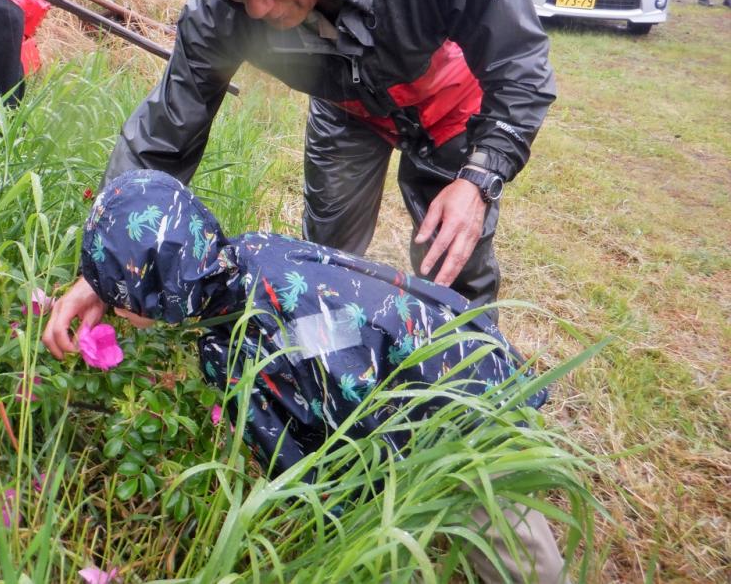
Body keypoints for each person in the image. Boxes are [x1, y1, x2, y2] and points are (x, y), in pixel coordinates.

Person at [44, 0, 555, 379]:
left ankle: (472, 383)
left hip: (446, 99)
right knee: (325, 263)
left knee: (452, 262)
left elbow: (519, 63)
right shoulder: (223, 10)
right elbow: (168, 129)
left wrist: (479, 177)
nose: (257, 8)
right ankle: (331, 378)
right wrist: (107, 266)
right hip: (348, 110)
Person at [79, 169, 571, 584]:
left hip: (459, 417)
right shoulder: (250, 253)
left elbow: (308, 469)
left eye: (118, 297)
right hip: (460, 355)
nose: (115, 310)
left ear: (157, 292)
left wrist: (346, 524)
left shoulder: (243, 345)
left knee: (518, 553)